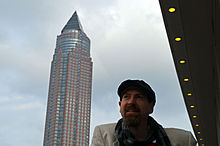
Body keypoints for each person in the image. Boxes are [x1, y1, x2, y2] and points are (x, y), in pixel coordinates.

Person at [92, 79, 197, 146]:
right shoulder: (104, 136)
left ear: (151, 107)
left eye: (139, 97)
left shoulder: (184, 140)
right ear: (120, 106)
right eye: (126, 97)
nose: (131, 102)